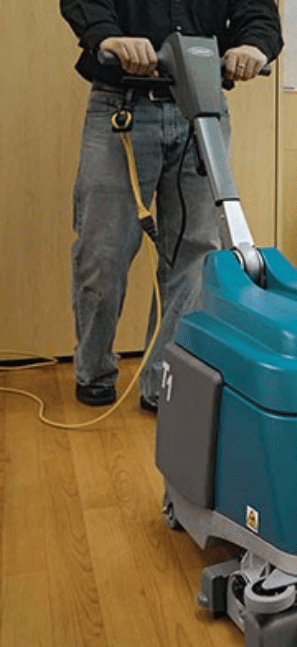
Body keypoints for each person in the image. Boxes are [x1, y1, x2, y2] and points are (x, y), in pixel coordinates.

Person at [60, 1, 283, 408]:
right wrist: (108, 36)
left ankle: (162, 382)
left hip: (201, 106)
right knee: (103, 252)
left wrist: (255, 45)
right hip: (122, 106)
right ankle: (93, 369)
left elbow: (258, 11)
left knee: (195, 255)